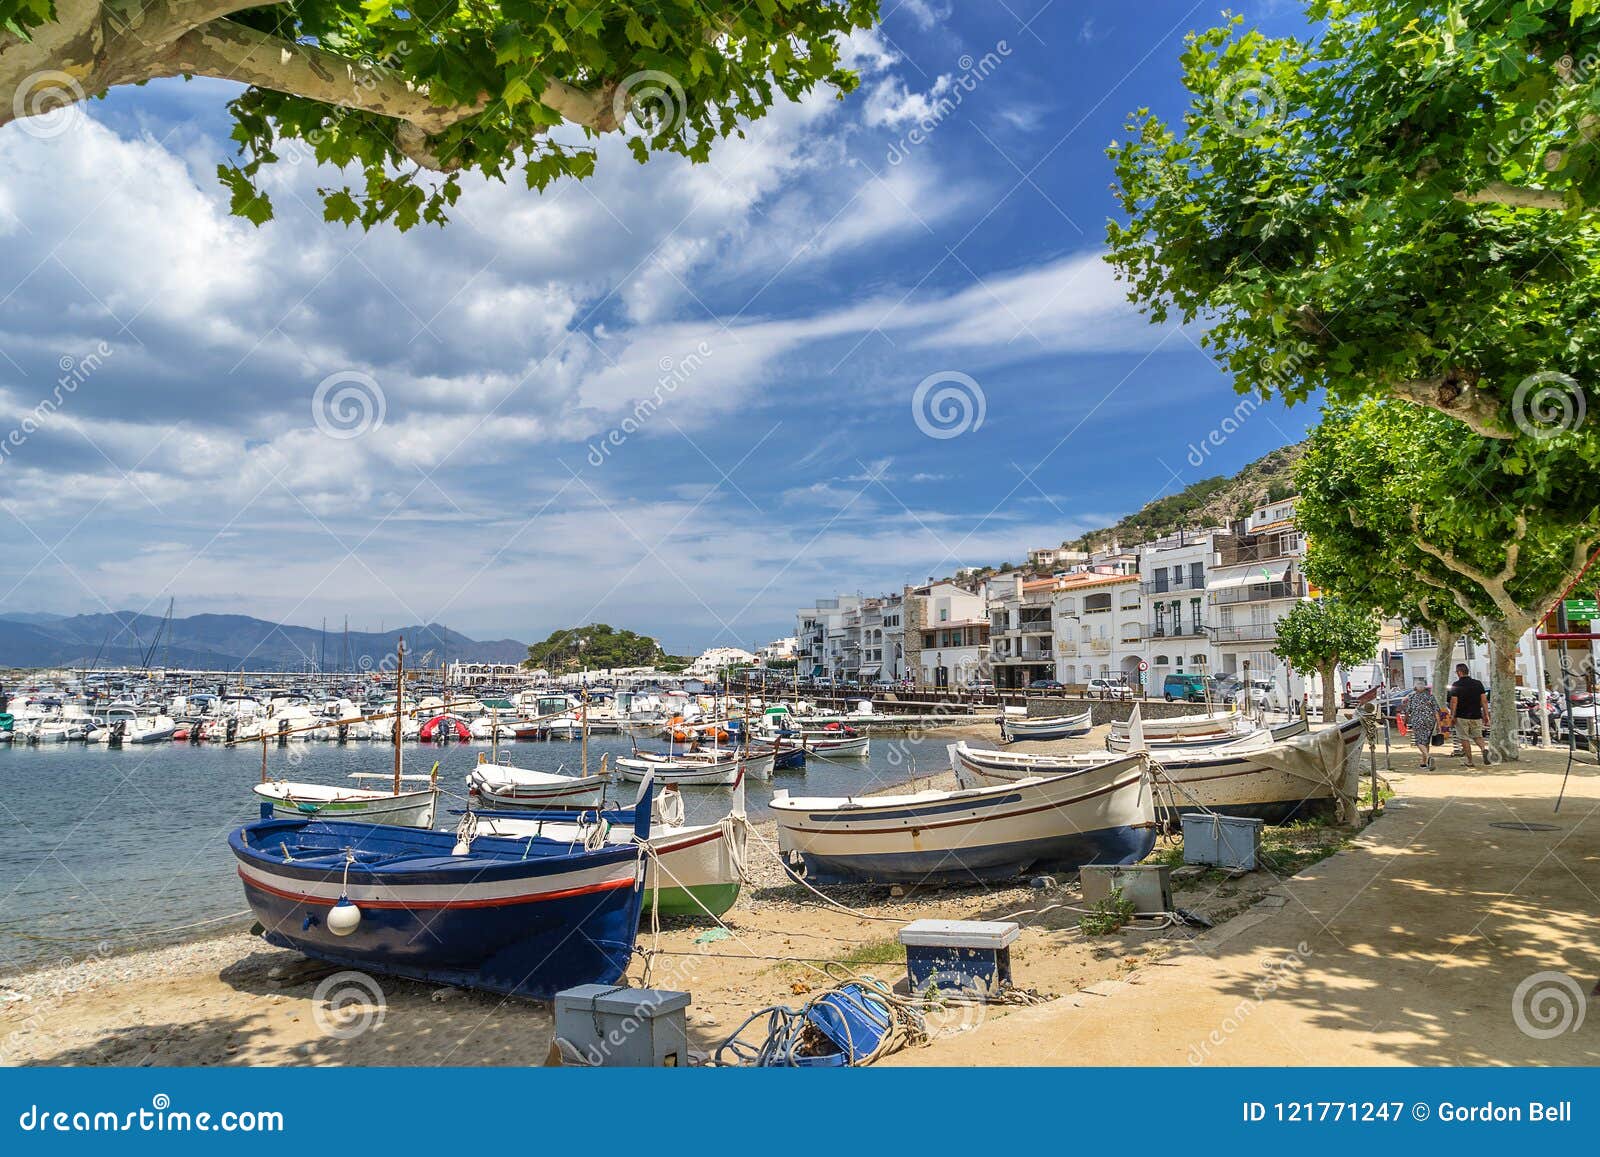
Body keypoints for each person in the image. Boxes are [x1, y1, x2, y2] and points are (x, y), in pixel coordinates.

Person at [1447, 663, 1494, 766]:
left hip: (1461, 716)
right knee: (1478, 736)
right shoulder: (1478, 683)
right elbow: (1484, 700)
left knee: (1464, 738)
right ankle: (1483, 749)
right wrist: (1486, 715)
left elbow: (1454, 702)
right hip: (1476, 715)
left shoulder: (1456, 685)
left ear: (1459, 672)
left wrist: (1452, 715)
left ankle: (1470, 761)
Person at [1402, 677, 1441, 769]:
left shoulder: (1412, 697)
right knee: (1426, 741)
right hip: (1430, 721)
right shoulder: (1430, 697)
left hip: (1417, 721)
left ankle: (1428, 757)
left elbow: (1408, 711)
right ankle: (1424, 762)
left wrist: (1405, 722)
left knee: (1419, 742)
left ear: (1415, 688)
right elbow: (1436, 711)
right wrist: (1439, 725)